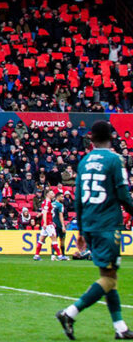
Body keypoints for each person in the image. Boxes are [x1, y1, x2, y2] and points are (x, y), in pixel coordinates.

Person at [56, 120, 133, 340]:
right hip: (107, 224)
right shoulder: (115, 159)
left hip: (89, 223)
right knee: (108, 279)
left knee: (108, 275)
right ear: (111, 137)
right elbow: (123, 194)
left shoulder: (84, 161)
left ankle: (120, 327)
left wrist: (80, 230)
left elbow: (78, 198)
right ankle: (70, 313)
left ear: (91, 139)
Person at [34, 189, 63, 262]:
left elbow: (43, 212)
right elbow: (45, 213)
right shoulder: (47, 202)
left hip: (46, 223)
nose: (53, 194)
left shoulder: (46, 202)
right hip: (48, 224)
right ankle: (59, 256)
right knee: (54, 239)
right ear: (47, 194)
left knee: (41, 239)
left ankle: (36, 255)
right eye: (52, 193)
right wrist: (45, 223)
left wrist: (43, 221)